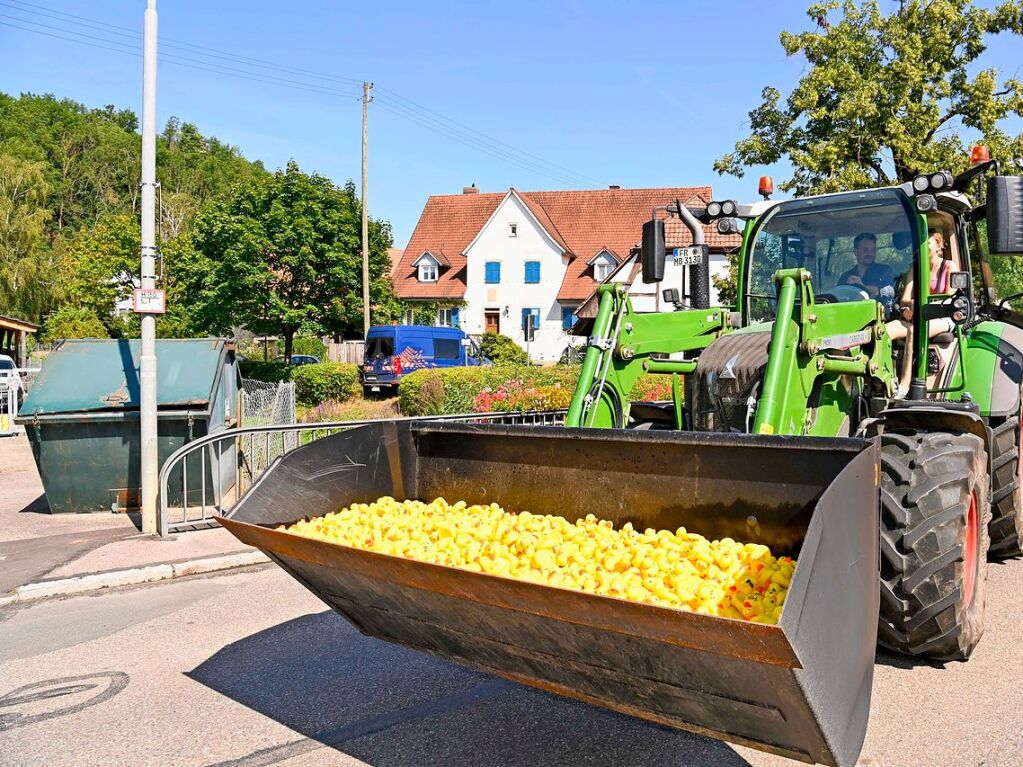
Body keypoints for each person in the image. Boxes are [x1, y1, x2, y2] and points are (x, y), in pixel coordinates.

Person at [886, 228, 956, 393]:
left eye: (928, 243)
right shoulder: (914, 269)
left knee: (914, 331)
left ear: (938, 246)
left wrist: (918, 306)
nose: (923, 246)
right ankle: (884, 380)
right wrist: (911, 306)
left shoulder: (948, 266)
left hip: (942, 316)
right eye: (920, 244)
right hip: (917, 315)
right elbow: (904, 298)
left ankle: (904, 385)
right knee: (886, 330)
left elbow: (949, 297)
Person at [837, 232, 896, 298]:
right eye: (865, 250)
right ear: (855, 252)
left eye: (873, 249)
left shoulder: (885, 271)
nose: (870, 253)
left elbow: (890, 293)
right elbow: (838, 298)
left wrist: (863, 286)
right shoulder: (846, 277)